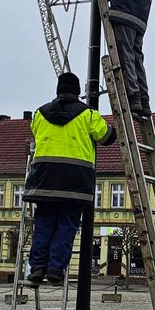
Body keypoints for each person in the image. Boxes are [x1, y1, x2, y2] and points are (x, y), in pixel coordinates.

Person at [23, 72, 116, 286]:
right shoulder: (88, 114)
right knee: (66, 226)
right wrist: (114, 130)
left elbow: (36, 134)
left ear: (57, 90)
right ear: (78, 92)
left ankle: (37, 267)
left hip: (44, 181)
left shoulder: (39, 113)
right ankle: (56, 269)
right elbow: (105, 137)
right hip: (75, 183)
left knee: (44, 224)